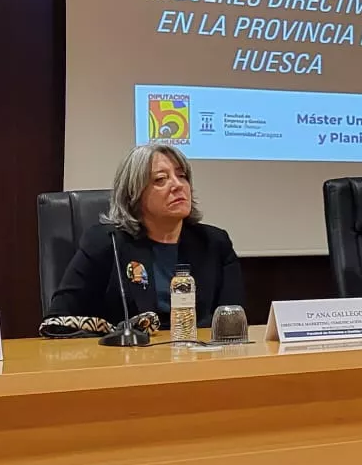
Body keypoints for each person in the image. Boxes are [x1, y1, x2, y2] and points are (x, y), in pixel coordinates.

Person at [45, 142, 243, 332]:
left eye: (182, 176)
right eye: (160, 180)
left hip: (199, 360)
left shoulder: (215, 243)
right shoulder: (108, 243)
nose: (177, 185)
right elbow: (59, 319)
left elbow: (232, 324)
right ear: (134, 195)